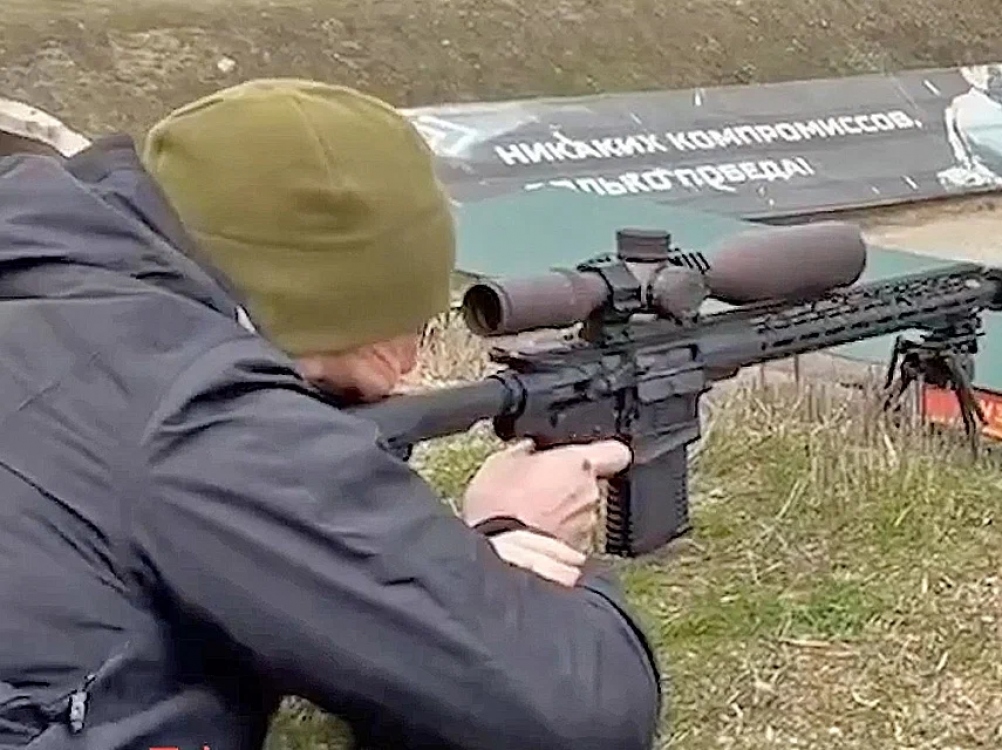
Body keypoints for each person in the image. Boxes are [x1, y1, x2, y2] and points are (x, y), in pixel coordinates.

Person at [0, 79, 660, 750]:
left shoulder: (50, 280)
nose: (407, 366)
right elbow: (578, 713)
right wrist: (514, 537)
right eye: (396, 329)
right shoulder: (195, 409)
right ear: (318, 299)